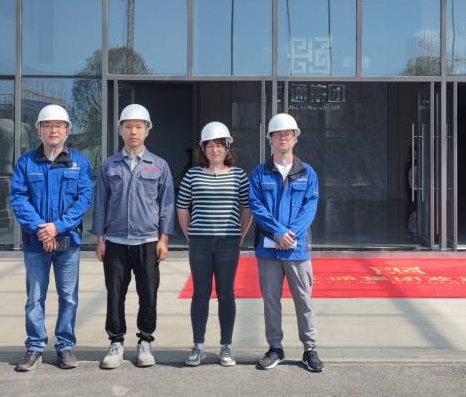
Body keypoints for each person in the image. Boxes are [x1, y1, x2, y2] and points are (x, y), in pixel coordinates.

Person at [91, 104, 175, 369]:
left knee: (148, 294)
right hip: (115, 241)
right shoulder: (109, 166)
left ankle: (145, 342)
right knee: (115, 295)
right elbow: (100, 204)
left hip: (148, 241)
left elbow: (167, 206)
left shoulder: (159, 165)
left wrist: (164, 239)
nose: (133, 131)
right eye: (128, 126)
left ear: (147, 130)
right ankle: (116, 343)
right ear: (120, 130)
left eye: (139, 126)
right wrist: (100, 240)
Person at [10, 104, 93, 371]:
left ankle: (65, 347)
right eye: (47, 125)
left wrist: (57, 228)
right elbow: (18, 198)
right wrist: (42, 229)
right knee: (35, 297)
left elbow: (84, 199)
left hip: (67, 242)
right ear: (38, 130)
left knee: (68, 297)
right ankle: (35, 347)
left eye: (58, 125)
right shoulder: (26, 163)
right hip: (36, 243)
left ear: (67, 130)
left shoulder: (79, 162)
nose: (53, 130)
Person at [248, 113, 324, 373]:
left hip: (298, 249)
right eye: (278, 134)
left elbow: (310, 207)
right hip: (267, 249)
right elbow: (257, 207)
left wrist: (290, 235)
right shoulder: (259, 173)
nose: (283, 137)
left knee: (303, 299)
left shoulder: (307, 173)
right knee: (271, 300)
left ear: (295, 138)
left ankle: (310, 349)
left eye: (288, 133)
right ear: (270, 138)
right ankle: (275, 348)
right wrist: (278, 233)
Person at [177, 122, 253, 367]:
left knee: (226, 294)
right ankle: (198, 346)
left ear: (227, 147)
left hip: (228, 243)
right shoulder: (193, 175)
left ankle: (225, 346)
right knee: (200, 293)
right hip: (199, 243)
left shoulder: (239, 175)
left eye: (219, 144)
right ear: (203, 149)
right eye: (209, 145)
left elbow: (248, 207)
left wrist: (240, 234)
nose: (215, 149)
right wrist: (190, 235)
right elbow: (182, 207)